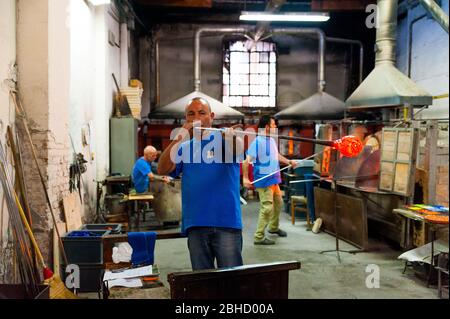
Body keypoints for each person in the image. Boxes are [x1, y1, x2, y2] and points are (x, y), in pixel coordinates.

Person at [157, 97, 245, 270]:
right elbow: (162, 169)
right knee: (201, 284)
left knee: (232, 282)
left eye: (202, 113)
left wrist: (231, 138)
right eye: (191, 114)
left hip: (226, 222)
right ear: (186, 119)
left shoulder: (225, 140)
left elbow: (238, 148)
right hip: (196, 224)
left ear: (211, 116)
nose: (196, 117)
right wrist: (179, 137)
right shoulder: (184, 147)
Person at [242, 115, 298, 245]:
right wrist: (245, 178)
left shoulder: (271, 141)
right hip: (264, 180)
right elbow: (246, 161)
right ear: (267, 127)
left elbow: (276, 155)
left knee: (278, 204)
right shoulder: (257, 142)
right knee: (267, 208)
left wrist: (288, 161)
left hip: (274, 179)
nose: (275, 127)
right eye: (273, 125)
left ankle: (273, 228)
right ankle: (259, 236)